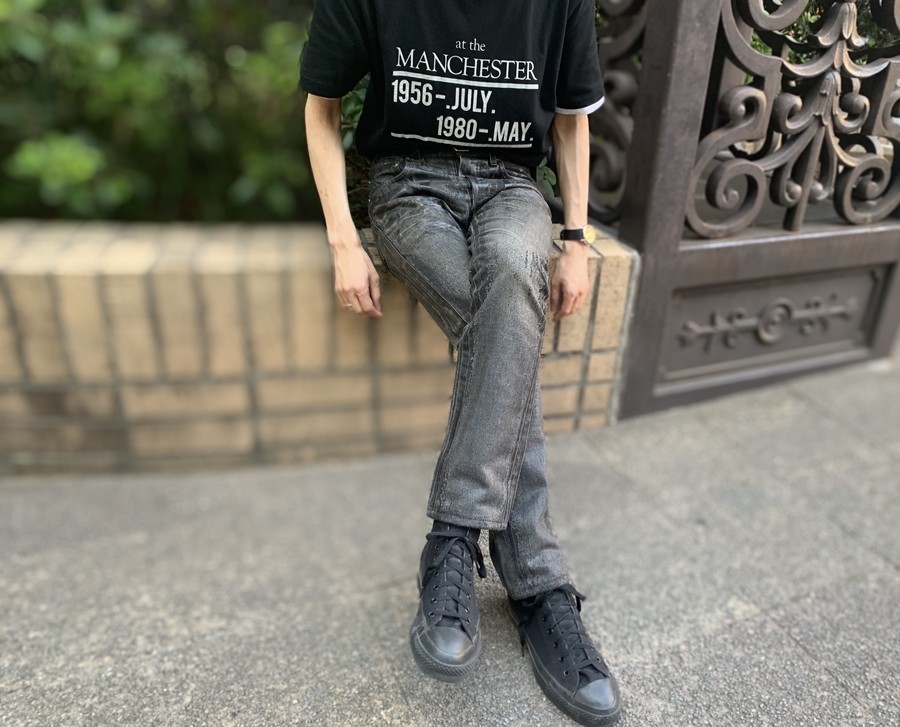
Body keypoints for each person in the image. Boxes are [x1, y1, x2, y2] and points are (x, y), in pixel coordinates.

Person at [300, 1, 621, 724]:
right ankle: (539, 586)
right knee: (507, 329)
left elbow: (572, 118)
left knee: (511, 287)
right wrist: (344, 242)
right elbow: (320, 106)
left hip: (513, 187)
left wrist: (575, 240)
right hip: (407, 185)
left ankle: (452, 539)